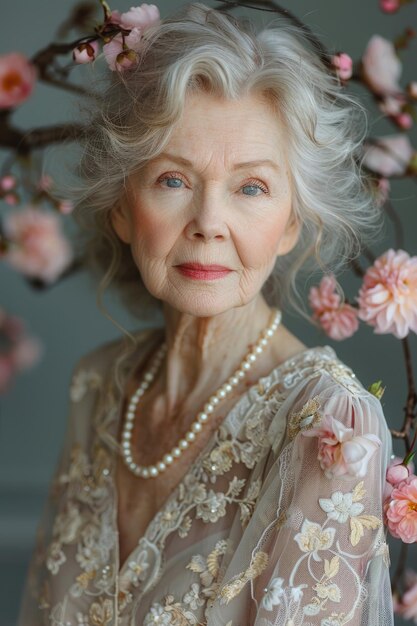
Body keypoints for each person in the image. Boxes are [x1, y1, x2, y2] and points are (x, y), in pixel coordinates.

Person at [17, 2, 394, 624]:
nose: (209, 223)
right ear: (120, 205)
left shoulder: (330, 427)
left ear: (290, 225)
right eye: (172, 179)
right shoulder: (98, 386)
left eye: (251, 188)